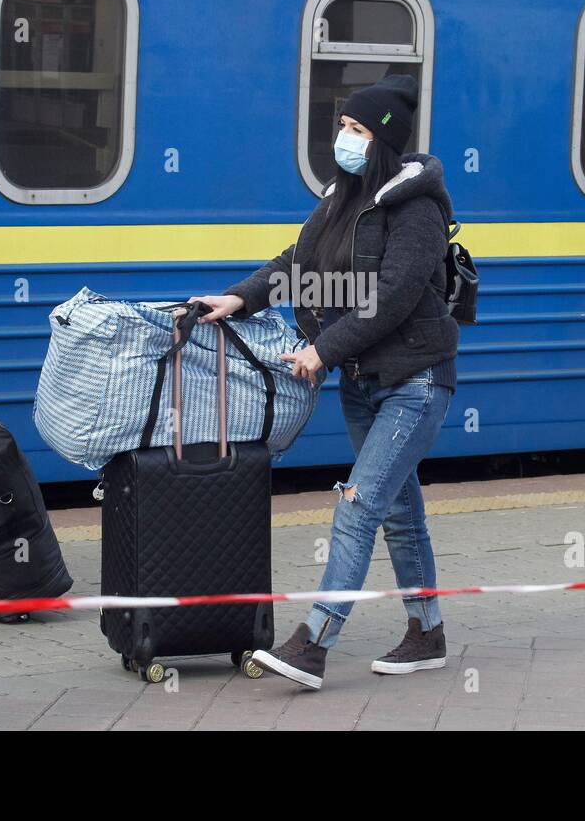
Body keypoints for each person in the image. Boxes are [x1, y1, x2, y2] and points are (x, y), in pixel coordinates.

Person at [189, 74, 458, 689]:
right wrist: (238, 298)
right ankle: (427, 633)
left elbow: (393, 297)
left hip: (415, 381)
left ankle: (314, 641)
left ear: (384, 142)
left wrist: (322, 350)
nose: (344, 137)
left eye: (358, 129)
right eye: (343, 126)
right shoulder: (343, 194)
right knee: (399, 514)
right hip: (364, 383)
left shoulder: (416, 207)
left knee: (358, 505)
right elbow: (296, 263)